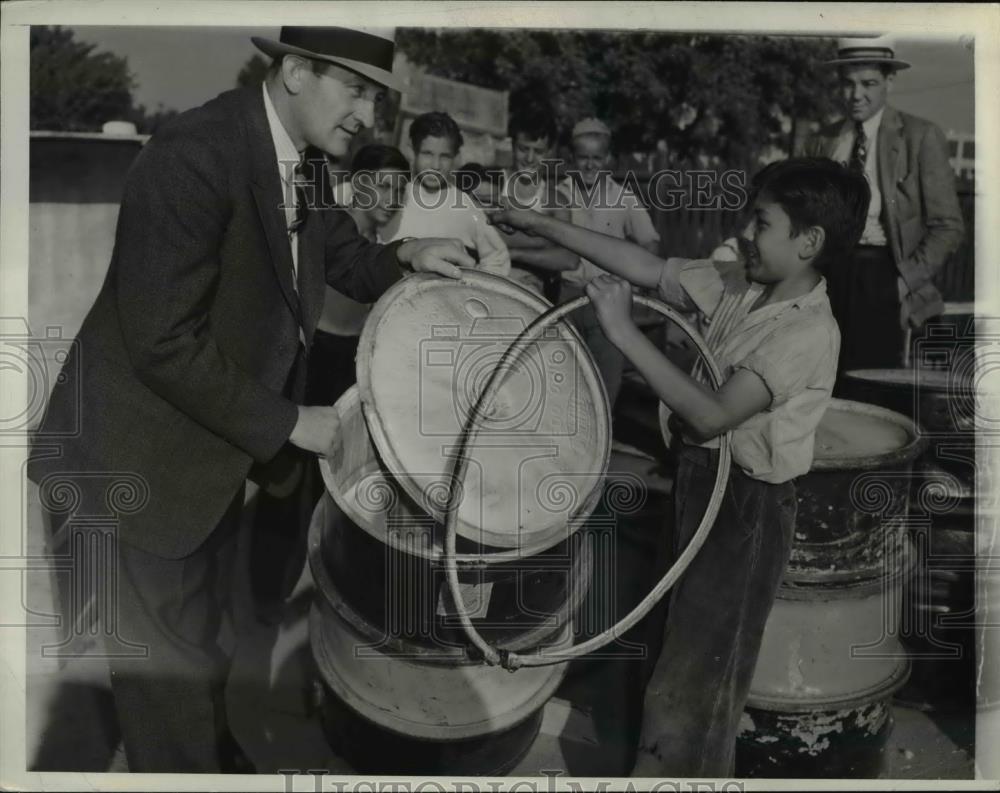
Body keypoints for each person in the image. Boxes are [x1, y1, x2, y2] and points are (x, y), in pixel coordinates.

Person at [26, 26, 471, 773]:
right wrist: (292, 420)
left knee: (190, 656)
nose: (368, 115)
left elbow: (342, 257)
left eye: (377, 97)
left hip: (198, 462)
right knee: (151, 693)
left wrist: (410, 254)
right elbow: (161, 340)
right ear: (296, 71)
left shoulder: (299, 163)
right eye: (355, 89)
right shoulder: (194, 156)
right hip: (126, 468)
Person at [489, 157, 870, 776]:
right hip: (697, 484)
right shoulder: (741, 282)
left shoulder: (809, 332)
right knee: (664, 653)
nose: (744, 230)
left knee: (695, 682)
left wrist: (621, 330)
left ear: (809, 242)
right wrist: (541, 223)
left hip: (745, 513)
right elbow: (644, 266)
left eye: (762, 222)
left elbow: (713, 415)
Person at [802, 36, 963, 375]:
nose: (856, 94)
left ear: (890, 81)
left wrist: (904, 280)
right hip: (826, 277)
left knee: (872, 388)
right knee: (820, 380)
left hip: (885, 277)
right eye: (847, 84)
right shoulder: (822, 139)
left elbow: (948, 226)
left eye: (869, 83)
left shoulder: (920, 137)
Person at [558, 117, 661, 410]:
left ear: (609, 160)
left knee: (604, 382)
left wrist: (631, 277)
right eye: (583, 158)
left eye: (597, 158)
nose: (590, 165)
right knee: (564, 376)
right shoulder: (560, 193)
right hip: (565, 295)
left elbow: (649, 242)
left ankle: (602, 439)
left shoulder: (623, 198)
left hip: (606, 298)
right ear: (571, 159)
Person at [380, 111, 510, 277]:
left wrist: (471, 288)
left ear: (456, 157)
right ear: (412, 151)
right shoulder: (394, 195)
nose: (435, 165)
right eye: (427, 154)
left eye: (445, 156)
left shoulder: (463, 205)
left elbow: (497, 259)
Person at [496, 108, 578, 299]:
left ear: (549, 152)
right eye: (523, 149)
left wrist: (514, 254)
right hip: (488, 282)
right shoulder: (492, 185)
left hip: (529, 293)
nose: (530, 159)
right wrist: (545, 240)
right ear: (512, 145)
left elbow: (570, 259)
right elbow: (474, 234)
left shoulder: (556, 201)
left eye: (538, 151)